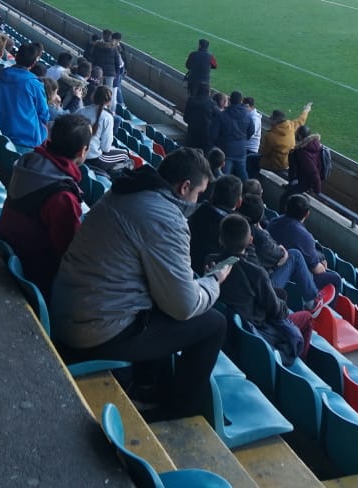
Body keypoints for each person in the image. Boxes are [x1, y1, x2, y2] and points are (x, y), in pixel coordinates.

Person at [51, 147, 228, 421]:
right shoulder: (166, 217)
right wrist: (214, 280)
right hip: (94, 330)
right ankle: (178, 414)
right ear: (184, 188)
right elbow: (184, 306)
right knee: (214, 324)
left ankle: (147, 386)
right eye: (198, 194)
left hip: (70, 308)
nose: (198, 200)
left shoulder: (125, 191)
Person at [0, 113, 93, 294]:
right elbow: (68, 253)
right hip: (36, 269)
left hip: (12, 247)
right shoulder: (62, 197)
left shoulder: (29, 160)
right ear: (82, 151)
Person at [209, 214, 313, 361]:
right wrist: (283, 302)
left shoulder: (211, 264)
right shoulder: (257, 273)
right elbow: (276, 311)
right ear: (250, 240)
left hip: (234, 332)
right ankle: (299, 362)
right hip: (257, 329)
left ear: (221, 239)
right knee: (306, 317)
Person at [265, 194, 341, 296]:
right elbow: (317, 270)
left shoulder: (273, 222)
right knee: (335, 278)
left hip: (273, 273)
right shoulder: (305, 237)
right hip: (290, 280)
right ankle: (321, 309)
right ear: (307, 214)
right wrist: (323, 267)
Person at [188, 174, 242, 273]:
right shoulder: (237, 228)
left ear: (212, 195)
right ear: (239, 202)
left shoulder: (197, 210)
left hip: (188, 265)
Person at [259, 103, 312, 175]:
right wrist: (306, 110)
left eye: (271, 118)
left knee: (250, 160)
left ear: (275, 121)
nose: (269, 118)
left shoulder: (270, 136)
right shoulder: (291, 125)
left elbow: (264, 153)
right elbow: (301, 120)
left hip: (275, 165)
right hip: (288, 162)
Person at [216, 90, 256, 180]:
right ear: (241, 101)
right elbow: (251, 130)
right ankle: (250, 190)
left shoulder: (222, 115)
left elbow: (214, 133)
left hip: (226, 149)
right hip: (240, 149)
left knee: (224, 176)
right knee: (243, 174)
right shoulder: (248, 115)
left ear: (230, 100)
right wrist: (243, 140)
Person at [285, 123, 328, 199]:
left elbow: (314, 172)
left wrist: (316, 191)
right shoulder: (314, 144)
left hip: (305, 182)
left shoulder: (302, 153)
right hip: (307, 180)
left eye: (296, 134)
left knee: (284, 198)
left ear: (300, 136)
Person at [183, 83, 219, 150]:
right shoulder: (212, 104)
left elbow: (185, 119)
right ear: (208, 92)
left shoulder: (190, 101)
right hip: (206, 139)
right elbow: (219, 117)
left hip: (191, 136)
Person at [242, 97, 263, 178]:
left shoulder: (255, 119)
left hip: (250, 150)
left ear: (252, 107)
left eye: (246, 107)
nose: (244, 108)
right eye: (243, 106)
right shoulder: (248, 115)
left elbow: (250, 134)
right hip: (246, 148)